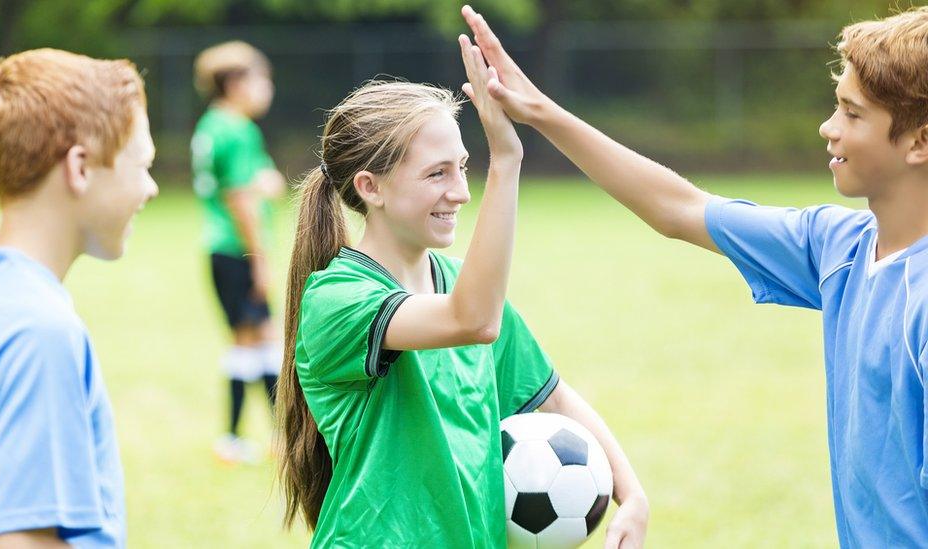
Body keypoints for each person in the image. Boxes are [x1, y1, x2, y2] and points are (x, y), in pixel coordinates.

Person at [460, 4, 928, 546]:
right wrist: (539, 111)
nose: (828, 127)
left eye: (852, 113)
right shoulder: (837, 247)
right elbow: (678, 208)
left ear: (919, 141)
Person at [276, 33, 648, 549]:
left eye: (465, 167)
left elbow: (553, 397)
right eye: (437, 173)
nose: (461, 191)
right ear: (370, 187)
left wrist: (631, 493)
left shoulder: (462, 285)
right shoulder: (337, 299)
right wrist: (507, 160)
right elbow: (471, 320)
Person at [0, 48, 157, 547]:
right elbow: (20, 539)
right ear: (80, 167)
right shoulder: (40, 331)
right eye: (142, 164)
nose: (150, 187)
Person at [191, 41, 287, 464]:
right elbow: (241, 199)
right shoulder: (238, 130)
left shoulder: (212, 125)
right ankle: (243, 438)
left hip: (219, 248)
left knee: (257, 339)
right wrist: (260, 258)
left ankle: (270, 437)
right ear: (234, 83)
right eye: (259, 79)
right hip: (237, 249)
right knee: (254, 341)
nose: (266, 88)